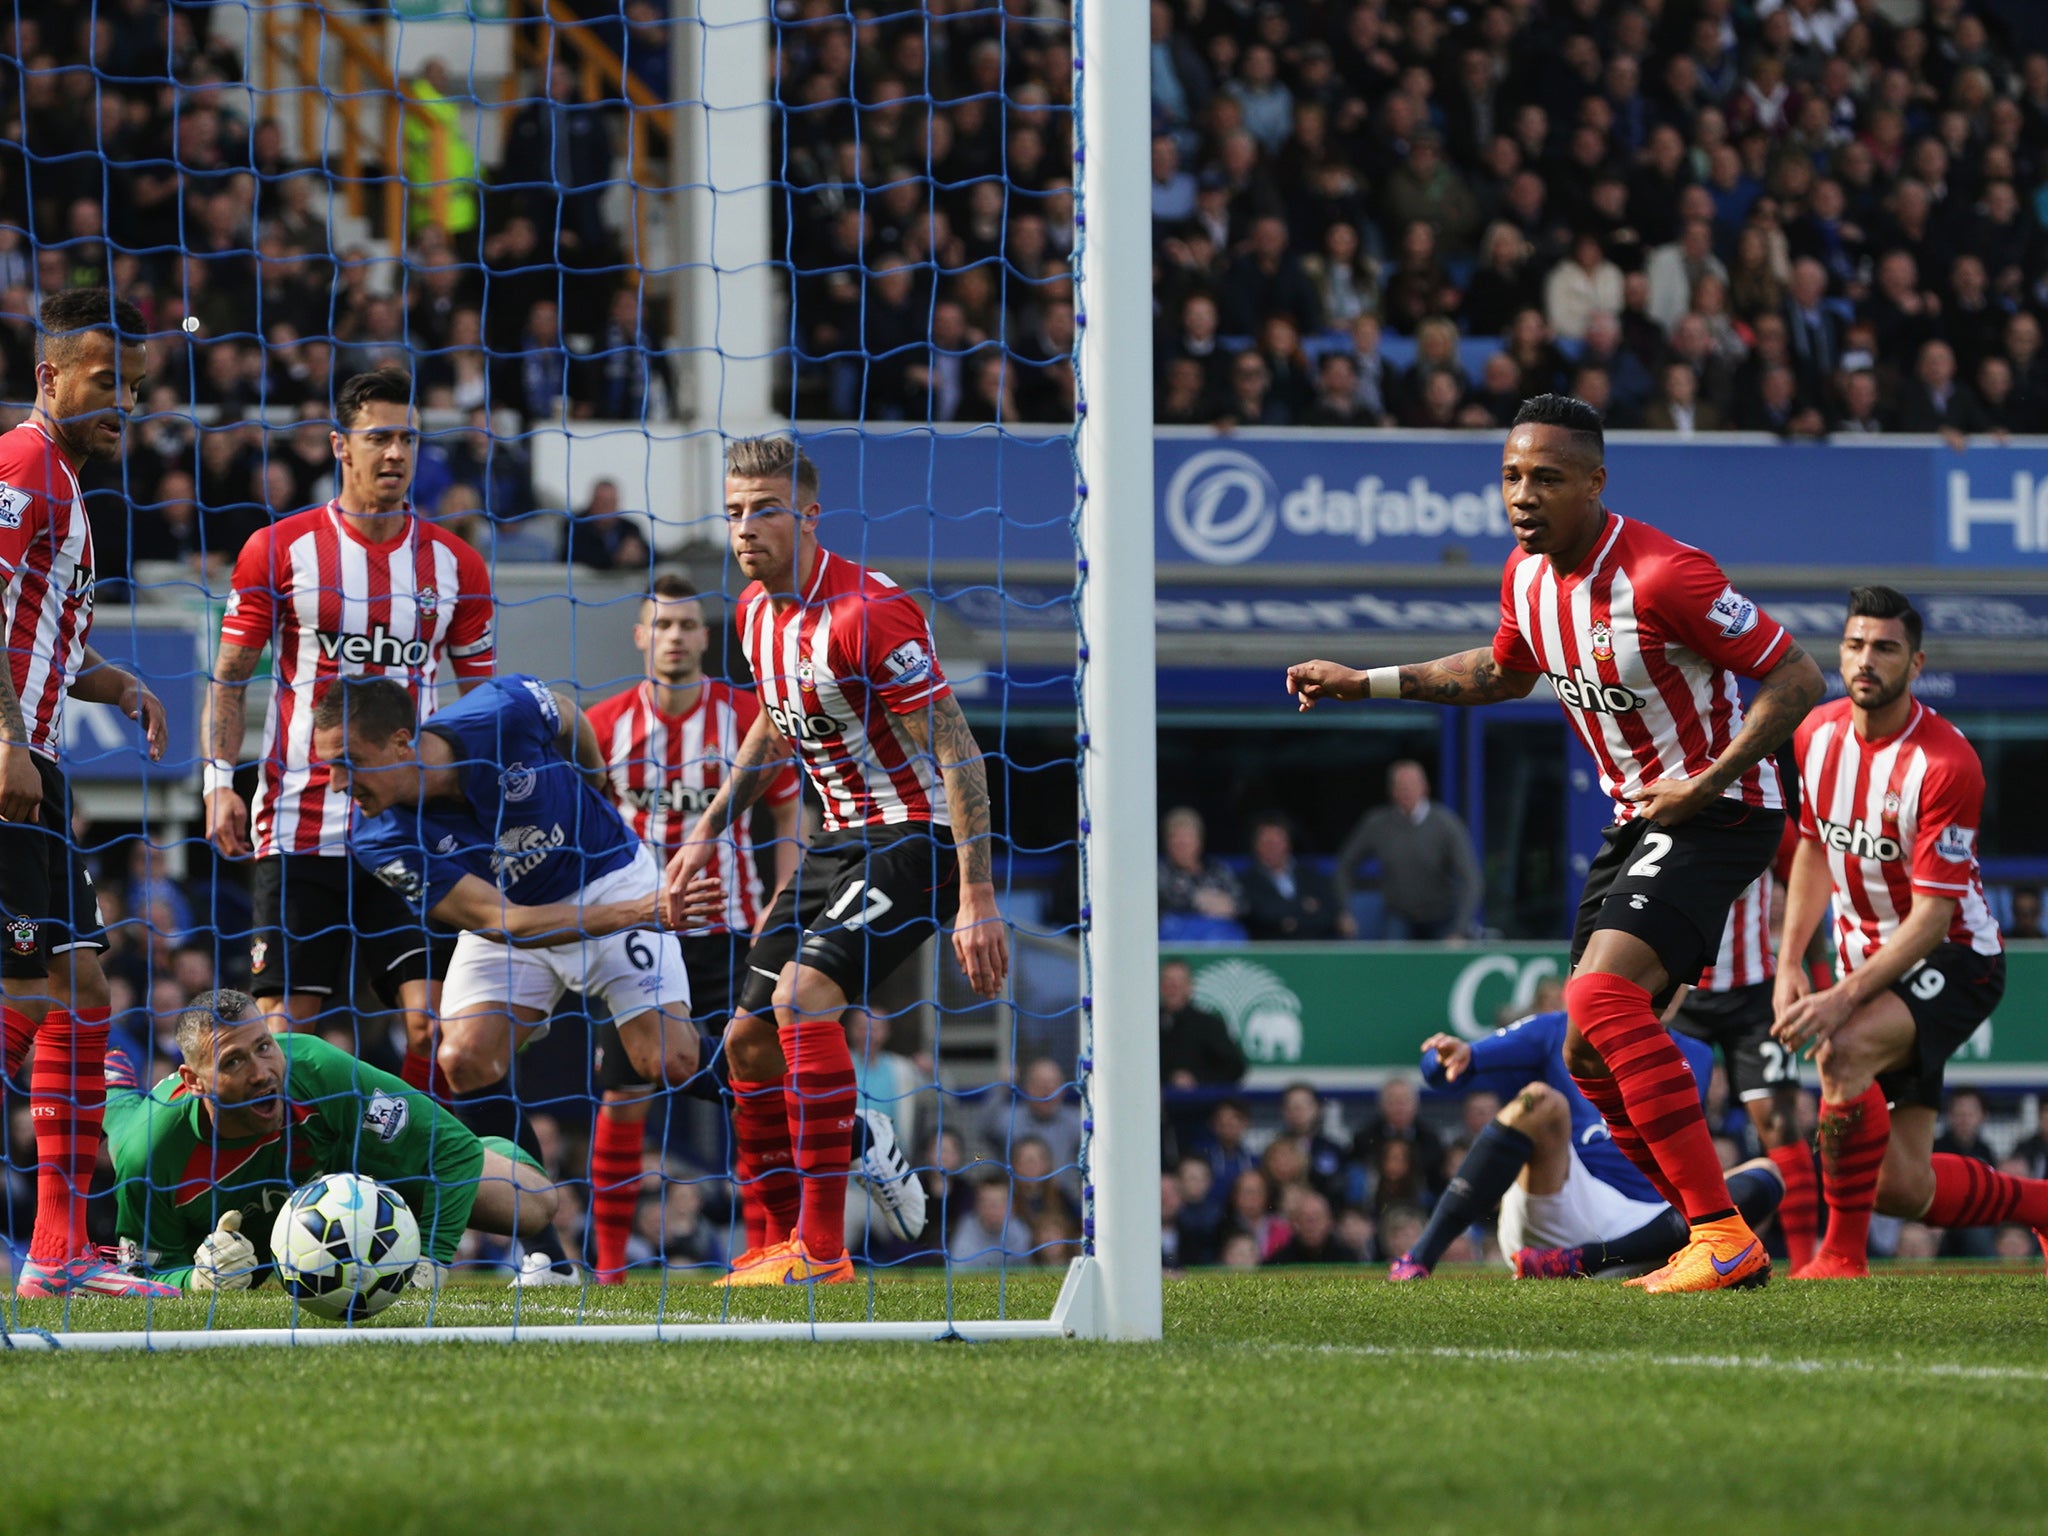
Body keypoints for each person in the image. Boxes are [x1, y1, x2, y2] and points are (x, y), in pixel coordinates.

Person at [1289, 394, 1824, 1292]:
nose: (1522, 496)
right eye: (1510, 477)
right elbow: (1500, 670)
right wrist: (1364, 683)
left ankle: (1722, 1233)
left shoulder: (1665, 575)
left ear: (1594, 483)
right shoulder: (1525, 579)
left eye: (1546, 477)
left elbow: (1798, 676)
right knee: (1584, 1048)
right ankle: (1705, 1231)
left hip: (1720, 806)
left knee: (1604, 998)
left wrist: (1708, 777)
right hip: (1639, 820)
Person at [660, 436, 1008, 1285]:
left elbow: (958, 750)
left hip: (915, 838)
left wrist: (978, 892)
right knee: (744, 1042)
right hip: (835, 841)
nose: (746, 527)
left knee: (802, 1000)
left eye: (765, 509)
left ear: (809, 516)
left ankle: (824, 1251)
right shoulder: (750, 612)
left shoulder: (869, 612)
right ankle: (769, 1243)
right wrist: (709, 824)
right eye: (735, 511)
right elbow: (777, 722)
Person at [205, 366, 496, 1095]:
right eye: (378, 437)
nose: (394, 453)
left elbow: (485, 705)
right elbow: (230, 676)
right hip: (300, 823)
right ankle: (287, 1188)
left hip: (408, 822)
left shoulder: (455, 564)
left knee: (431, 1023)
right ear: (340, 445)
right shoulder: (279, 549)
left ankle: (410, 1176)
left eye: (407, 437)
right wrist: (219, 785)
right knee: (282, 1035)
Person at [1773, 588, 2048, 1279]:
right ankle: (2042, 1204)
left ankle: (1840, 1254)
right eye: (1856, 645)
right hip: (1871, 963)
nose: (1867, 661)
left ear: (1915, 662)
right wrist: (1790, 965)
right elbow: (1812, 848)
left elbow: (1931, 916)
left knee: (1841, 1053)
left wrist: (1840, 999)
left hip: (1955, 957)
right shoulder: (1815, 733)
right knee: (1902, 1186)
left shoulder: (1946, 765)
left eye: (1886, 648)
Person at [0, 289, 177, 1298]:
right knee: (52, 995)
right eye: (108, 379)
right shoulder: (24, 463)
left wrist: (104, 676)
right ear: (48, 377)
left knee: (74, 993)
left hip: (41, 758)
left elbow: (32, 626)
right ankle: (59, 1253)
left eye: (137, 386)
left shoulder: (66, 480)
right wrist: (6, 739)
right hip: (14, 763)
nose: (127, 401)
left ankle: (60, 1253)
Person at [317, 672, 725, 1099]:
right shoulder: (377, 838)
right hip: (520, 917)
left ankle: (775, 1086)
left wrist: (595, 779)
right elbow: (503, 923)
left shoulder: (503, 709)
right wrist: (641, 912)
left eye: (350, 762)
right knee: (463, 1061)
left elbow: (566, 713)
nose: (338, 784)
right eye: (329, 766)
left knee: (670, 1063)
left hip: (610, 879)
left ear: (402, 742)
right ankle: (514, 1168)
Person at [581, 572, 805, 1282]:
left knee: (752, 1079)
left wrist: (781, 891)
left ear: (708, 637)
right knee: (622, 1094)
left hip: (731, 929)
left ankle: (772, 1244)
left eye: (687, 625)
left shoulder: (746, 716)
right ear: (642, 635)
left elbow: (789, 809)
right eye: (663, 625)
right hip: (640, 938)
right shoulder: (604, 724)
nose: (675, 637)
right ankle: (611, 1265)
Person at [103, 990, 557, 1290]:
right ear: (194, 1080)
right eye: (234, 1062)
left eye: (265, 1046)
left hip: (360, 1175)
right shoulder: (152, 1153)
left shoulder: (319, 1070)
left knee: (534, 1203)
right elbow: (149, 1272)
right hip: (146, 1130)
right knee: (121, 1124)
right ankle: (117, 1085)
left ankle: (495, 1150)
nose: (262, 1073)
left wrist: (431, 1262)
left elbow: (453, 1151)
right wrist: (199, 1280)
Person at [1392, 1011, 1782, 1280]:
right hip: (1567, 1198)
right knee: (1539, 1101)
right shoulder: (1556, 1029)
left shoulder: (1696, 1054)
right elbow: (1449, 1069)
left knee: (1766, 1175)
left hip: (1650, 1219)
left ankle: (1591, 1261)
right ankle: (1420, 1257)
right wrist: (1443, 1058)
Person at [1669, 863, 1816, 1268]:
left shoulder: (1771, 818)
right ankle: (1674, 1248)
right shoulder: (1671, 810)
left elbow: (1809, 881)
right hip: (1685, 991)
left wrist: (1816, 974)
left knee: (1779, 1122)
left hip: (1755, 993)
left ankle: (1806, 1264)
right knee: (1667, 1124)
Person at [1335, 761, 1480, 940]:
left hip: (1442, 915)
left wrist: (1460, 929)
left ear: (1425, 788)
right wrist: (1345, 911)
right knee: (1394, 963)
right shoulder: (1377, 824)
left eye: (1411, 785)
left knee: (1443, 963)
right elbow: (1345, 865)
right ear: (1392, 791)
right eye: (1400, 786)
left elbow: (1471, 878)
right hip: (1399, 914)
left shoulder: (1446, 824)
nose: (1406, 791)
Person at [1241, 813, 1343, 940]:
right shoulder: (1246, 881)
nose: (1272, 848)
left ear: (1288, 844)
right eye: (1267, 842)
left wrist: (1289, 920)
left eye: (1277, 842)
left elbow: (1329, 916)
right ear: (1256, 846)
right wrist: (1303, 906)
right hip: (1270, 952)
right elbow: (1259, 914)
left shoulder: (1313, 877)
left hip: (1313, 949)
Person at [1158, 959, 1247, 1089]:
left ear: (1190, 986)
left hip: (1201, 1105)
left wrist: (1197, 1079)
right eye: (1168, 981)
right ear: (1160, 986)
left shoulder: (1208, 1025)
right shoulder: (1148, 1026)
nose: (1173, 987)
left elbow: (1234, 1067)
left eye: (1179, 982)